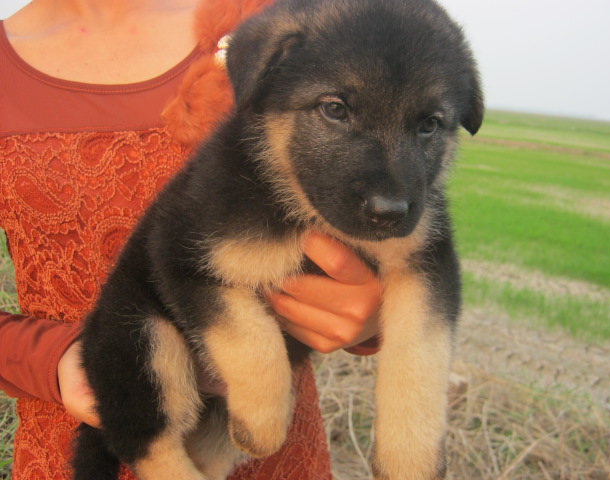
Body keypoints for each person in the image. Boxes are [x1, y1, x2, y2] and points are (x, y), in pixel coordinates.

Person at [0, 0, 382, 478]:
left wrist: (372, 315)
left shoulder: (264, 24)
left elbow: (377, 185)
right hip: (79, 439)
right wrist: (51, 358)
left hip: (265, 438)